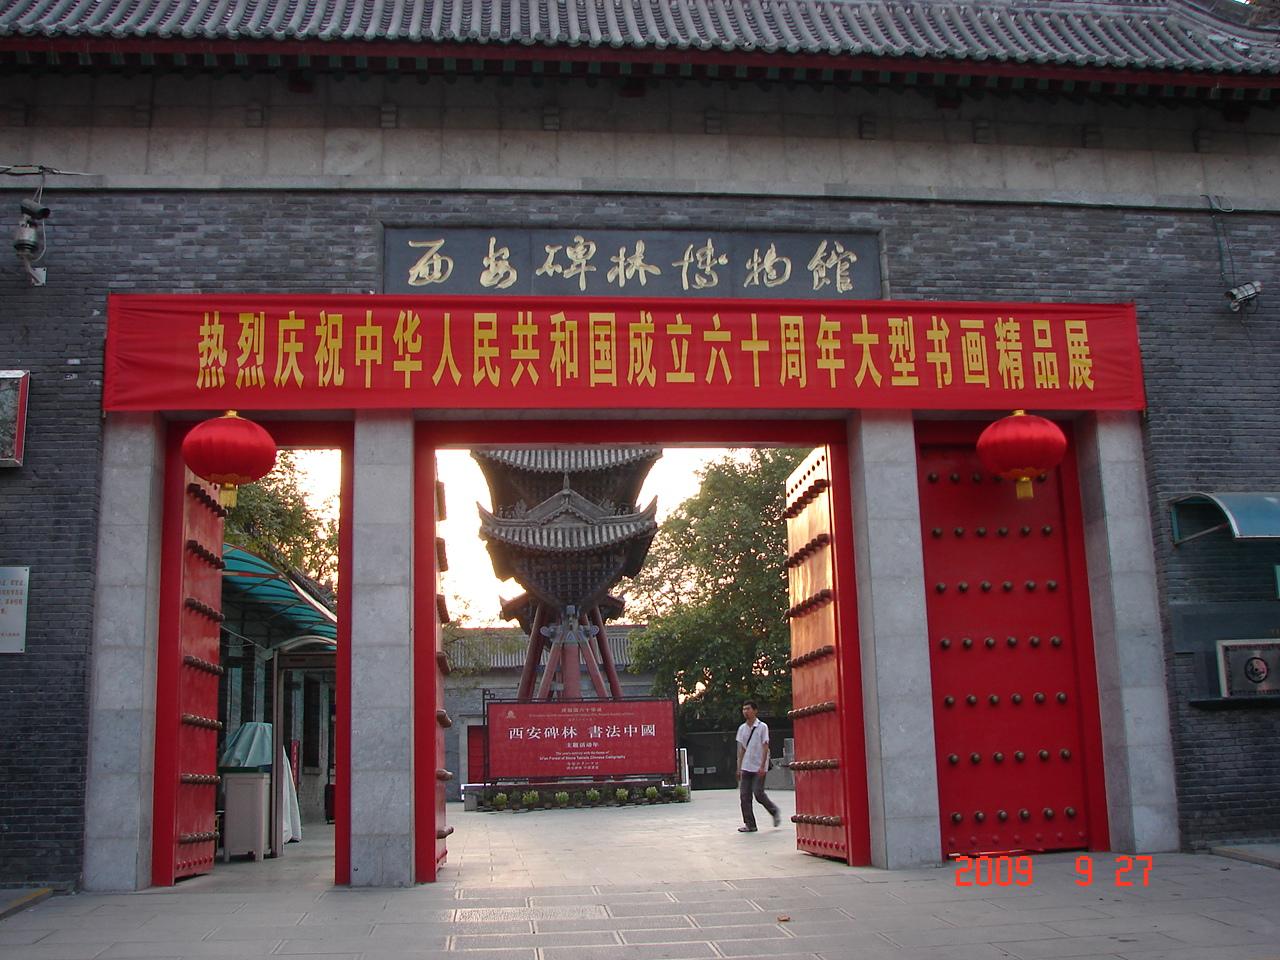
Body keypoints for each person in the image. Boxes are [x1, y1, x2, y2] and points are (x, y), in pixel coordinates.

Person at [735, 699, 780, 833]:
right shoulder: (742, 729)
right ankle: (750, 824)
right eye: (744, 709)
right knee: (744, 796)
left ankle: (774, 811)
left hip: (758, 767)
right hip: (746, 766)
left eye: (748, 709)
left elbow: (765, 747)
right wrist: (739, 768)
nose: (746, 712)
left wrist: (762, 766)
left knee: (758, 793)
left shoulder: (762, 727)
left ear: (755, 711)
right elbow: (741, 750)